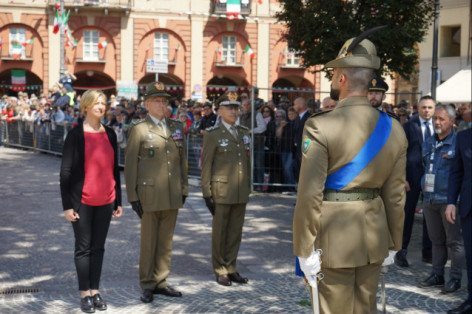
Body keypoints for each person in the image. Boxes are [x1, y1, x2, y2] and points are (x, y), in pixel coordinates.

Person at [293, 31, 407, 313]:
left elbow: (309, 194)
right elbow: (395, 196)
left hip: (333, 239)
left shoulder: (320, 125)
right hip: (374, 236)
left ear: (342, 78)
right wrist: (394, 241)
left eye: (333, 74)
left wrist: (304, 249)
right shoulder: (393, 128)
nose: (332, 79)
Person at [60, 89, 123, 313]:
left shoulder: (111, 133)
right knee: (83, 248)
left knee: (99, 248)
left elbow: (114, 169)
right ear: (86, 106)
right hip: (82, 202)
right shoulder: (76, 135)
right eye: (96, 103)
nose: (101, 107)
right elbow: (65, 172)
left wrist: (118, 201)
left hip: (106, 200)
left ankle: (95, 291)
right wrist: (67, 206)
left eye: (103, 103)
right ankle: (84, 293)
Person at [124, 81, 188, 304]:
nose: (163, 105)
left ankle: (161, 281)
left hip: (172, 192)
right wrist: (132, 196)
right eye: (158, 101)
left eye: (165, 101)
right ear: (148, 104)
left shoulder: (177, 127)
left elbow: (183, 161)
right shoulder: (139, 129)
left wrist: (184, 187)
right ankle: (147, 284)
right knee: (149, 242)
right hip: (149, 195)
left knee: (166, 242)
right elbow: (131, 165)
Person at [201, 91, 251, 287]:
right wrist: (207, 192)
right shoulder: (213, 135)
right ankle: (220, 269)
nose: (234, 111)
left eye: (236, 107)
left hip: (239, 190)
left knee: (235, 232)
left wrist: (247, 186)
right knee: (220, 232)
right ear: (219, 111)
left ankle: (231, 267)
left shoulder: (244, 132)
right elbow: (206, 165)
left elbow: (247, 162)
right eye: (229, 107)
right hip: (221, 190)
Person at [419, 104, 465, 292]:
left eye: (441, 119)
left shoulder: (458, 143)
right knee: (436, 240)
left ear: (452, 122)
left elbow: (462, 174)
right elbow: (424, 166)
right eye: (435, 118)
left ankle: (455, 278)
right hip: (429, 199)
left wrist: (455, 201)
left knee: (454, 242)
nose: (436, 122)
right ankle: (437, 274)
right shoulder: (429, 141)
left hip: (448, 201)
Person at [395, 96, 435, 267]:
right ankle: (401, 251)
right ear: (418, 108)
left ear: (434, 109)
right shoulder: (409, 126)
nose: (426, 110)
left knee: (430, 214)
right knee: (408, 214)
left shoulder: (439, 126)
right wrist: (402, 177)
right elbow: (400, 152)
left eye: (430, 107)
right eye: (424, 107)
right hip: (411, 177)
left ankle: (428, 252)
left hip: (432, 177)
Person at [446, 128, 472, 313]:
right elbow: (456, 172)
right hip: (469, 207)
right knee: (471, 257)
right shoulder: (463, 137)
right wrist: (451, 202)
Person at [292, 97, 309, 182]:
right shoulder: (298, 117)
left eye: (295, 104)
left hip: (305, 149)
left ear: (301, 105)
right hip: (297, 149)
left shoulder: (309, 117)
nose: (293, 106)